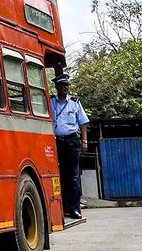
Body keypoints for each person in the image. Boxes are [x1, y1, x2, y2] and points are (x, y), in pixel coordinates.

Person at [50, 73, 89, 220]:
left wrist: (84, 141)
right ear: (57, 87)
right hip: (55, 142)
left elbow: (83, 123)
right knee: (58, 175)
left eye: (67, 85)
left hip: (72, 142)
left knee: (73, 176)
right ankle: (61, 208)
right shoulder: (50, 102)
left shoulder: (74, 102)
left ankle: (74, 208)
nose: (66, 87)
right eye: (63, 85)